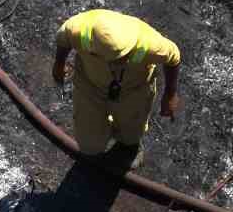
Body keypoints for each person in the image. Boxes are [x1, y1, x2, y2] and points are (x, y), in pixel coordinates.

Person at [52, 8, 184, 161]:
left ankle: (129, 146)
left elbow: (174, 58)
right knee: (89, 143)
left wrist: (170, 93)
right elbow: (63, 41)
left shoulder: (150, 44)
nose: (114, 64)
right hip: (90, 85)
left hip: (134, 88)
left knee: (131, 132)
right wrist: (59, 64)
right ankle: (97, 146)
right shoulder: (78, 29)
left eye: (120, 58)